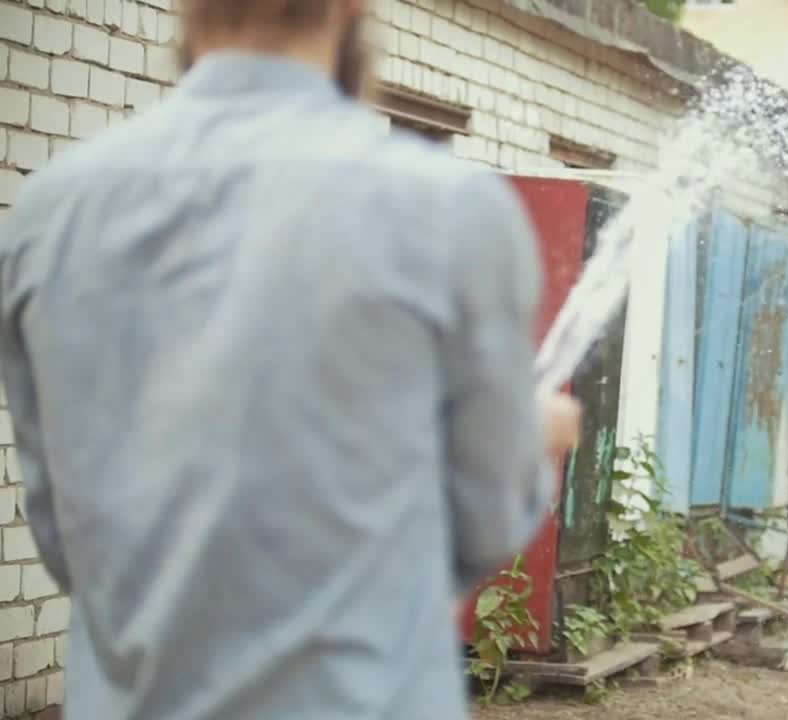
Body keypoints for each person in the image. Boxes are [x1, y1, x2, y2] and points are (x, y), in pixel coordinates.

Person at [0, 0, 581, 718]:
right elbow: (482, 527)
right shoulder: (449, 209)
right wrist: (532, 436)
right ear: (351, 8)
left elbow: (66, 542)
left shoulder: (50, 212)